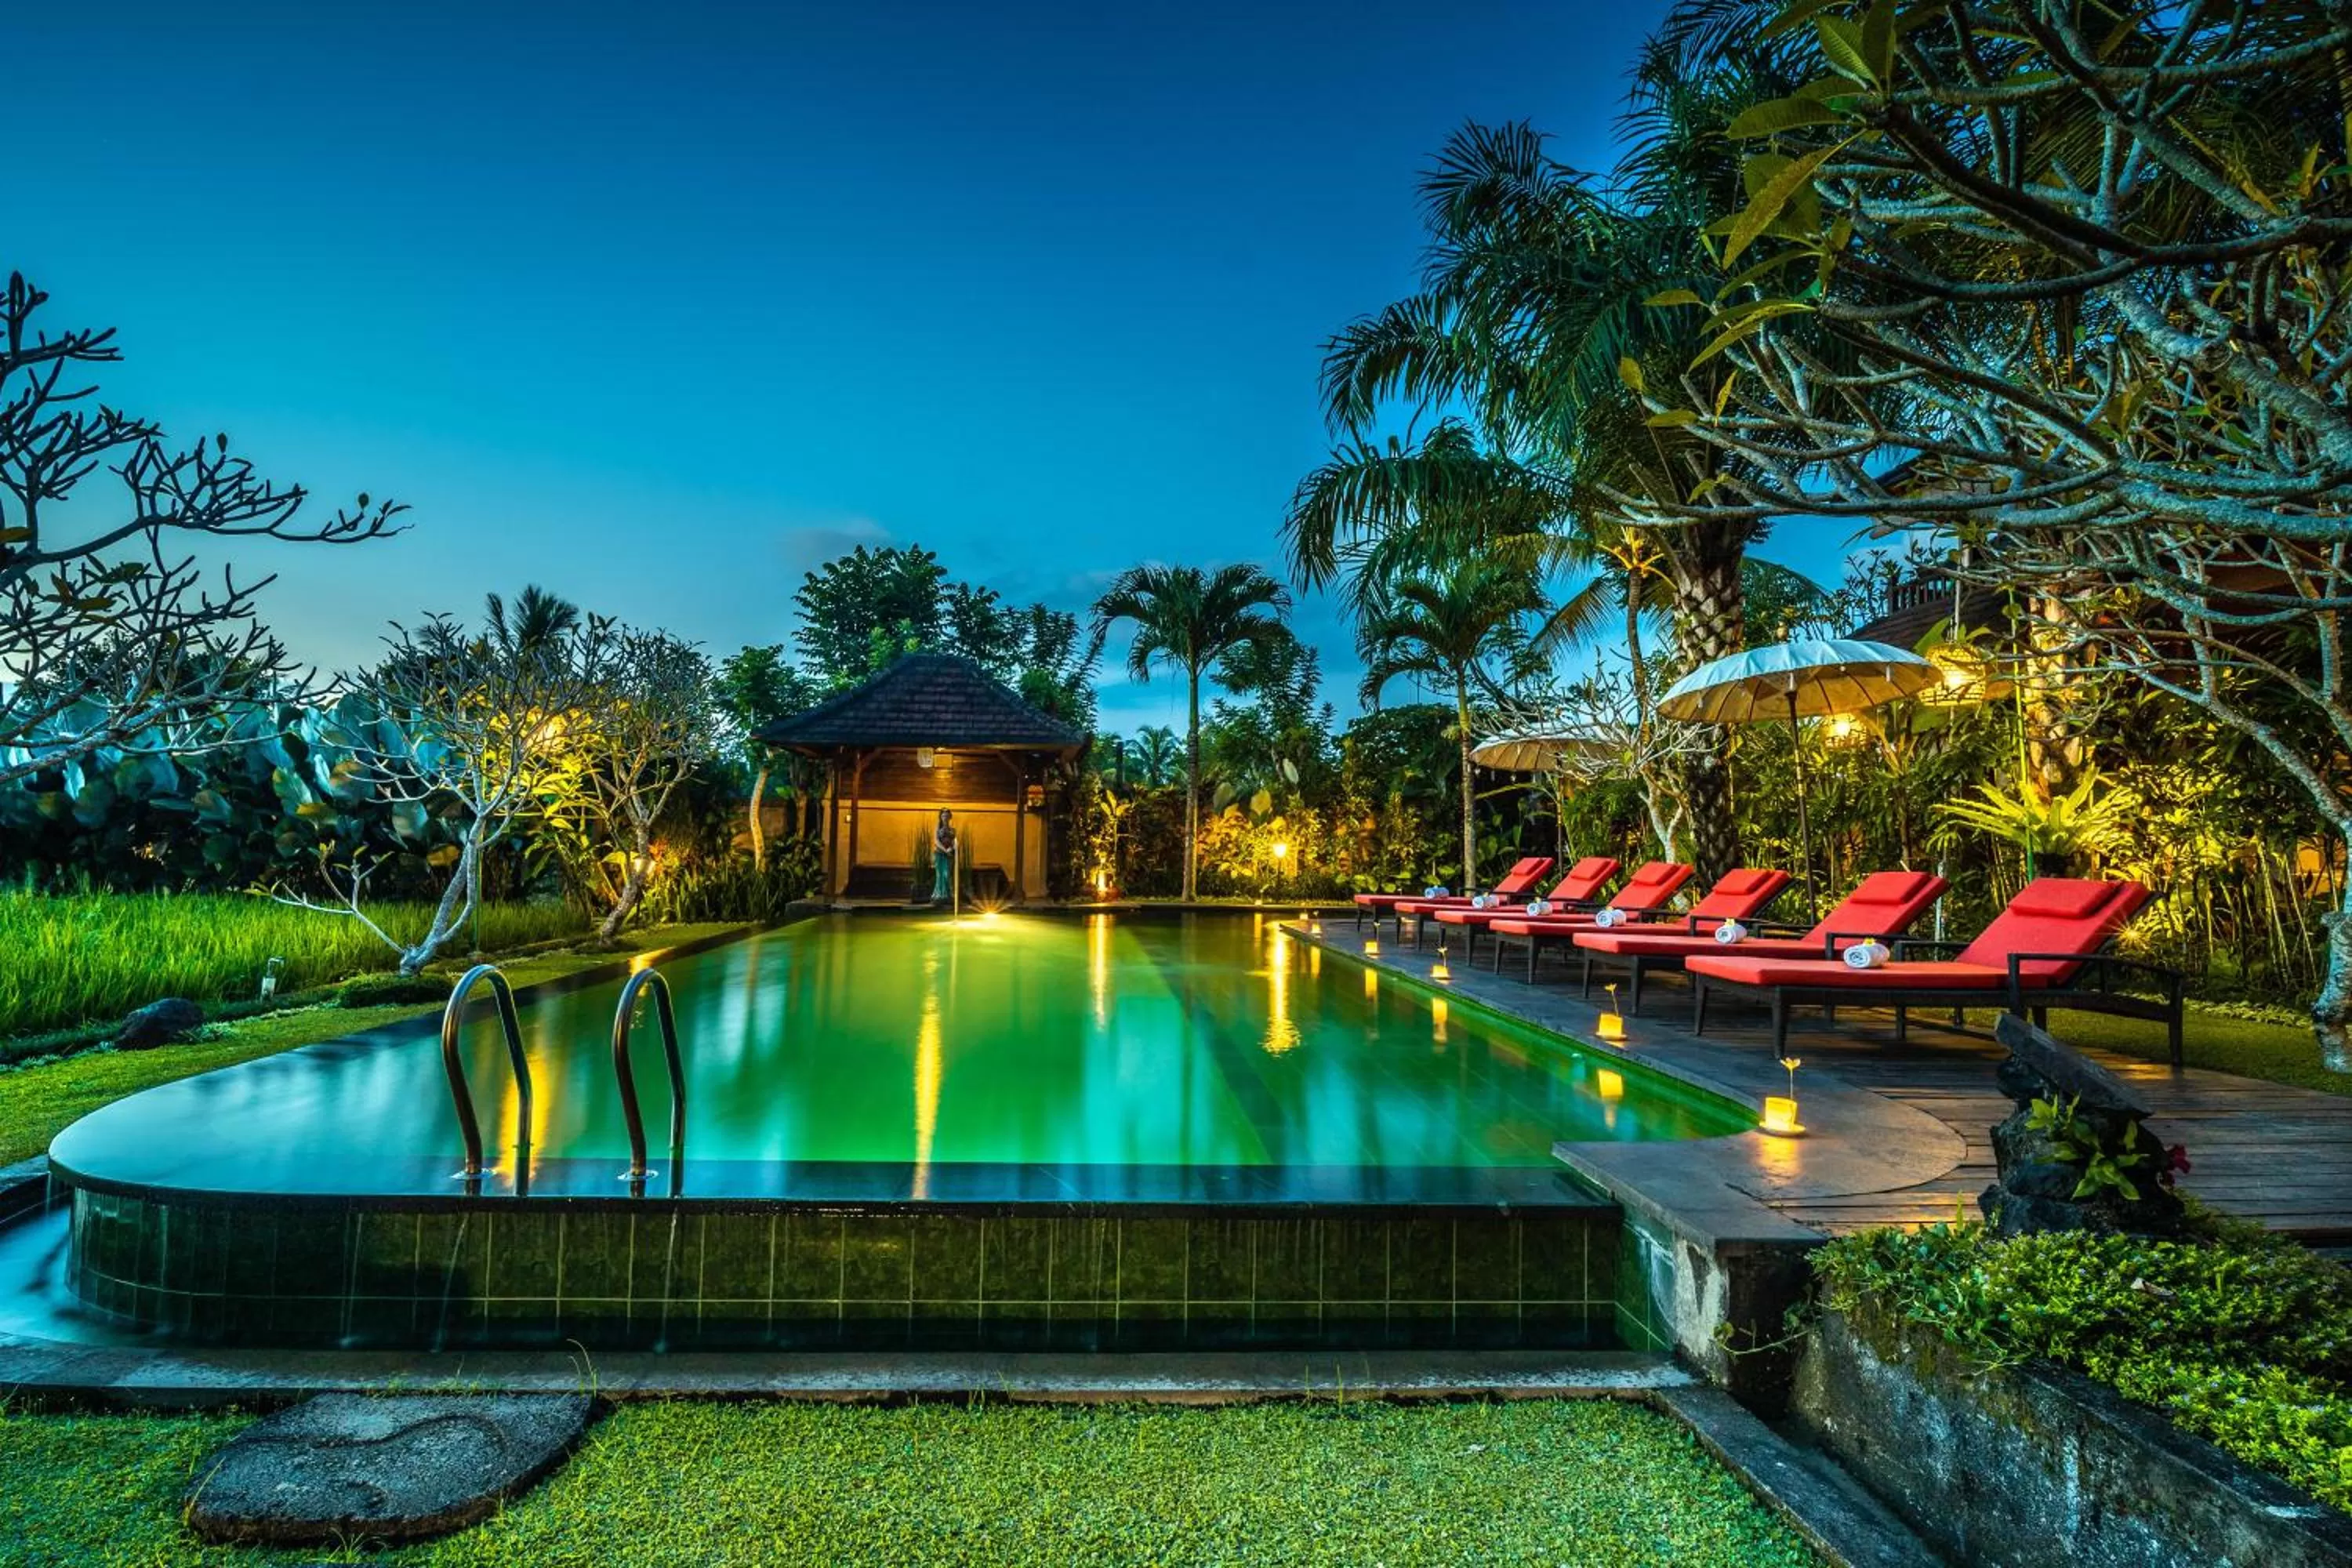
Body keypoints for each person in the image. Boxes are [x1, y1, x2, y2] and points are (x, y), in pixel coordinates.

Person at [931, 809, 957, 906]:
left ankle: (948, 895)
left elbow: (954, 841)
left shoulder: (953, 830)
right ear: (941, 817)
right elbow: (936, 841)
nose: (945, 818)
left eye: (947, 816)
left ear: (950, 817)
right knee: (940, 875)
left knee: (947, 874)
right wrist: (945, 850)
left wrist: (951, 848)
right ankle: (939, 896)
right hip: (939, 854)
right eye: (943, 816)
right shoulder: (937, 829)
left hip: (949, 855)